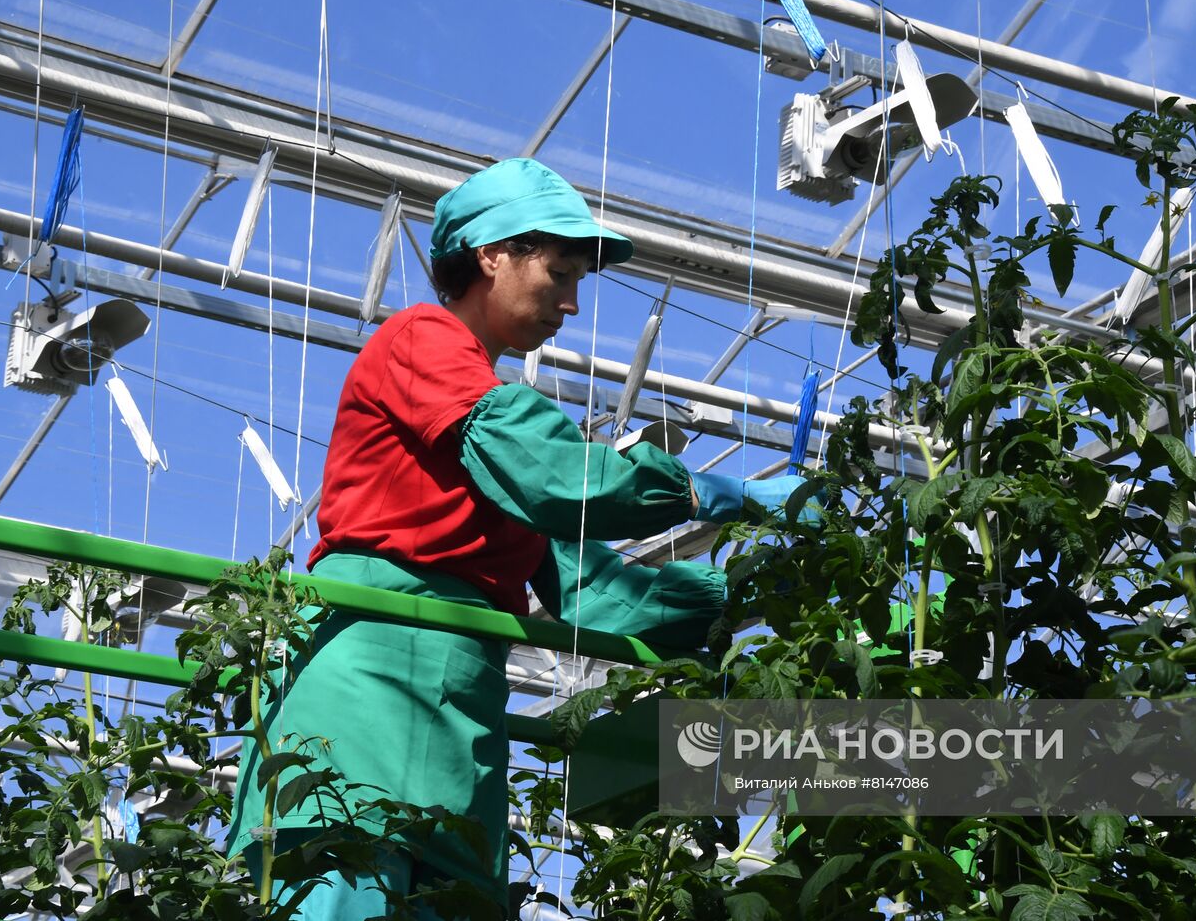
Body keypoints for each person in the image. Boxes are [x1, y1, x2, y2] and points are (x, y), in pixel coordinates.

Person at [225, 158, 810, 919]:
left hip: (457, 714)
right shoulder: (422, 340)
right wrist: (707, 494)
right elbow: (557, 474)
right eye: (559, 273)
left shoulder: (496, 449)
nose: (571, 302)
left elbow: (596, 592)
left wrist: (759, 594)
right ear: (490, 255)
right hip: (363, 687)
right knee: (345, 878)